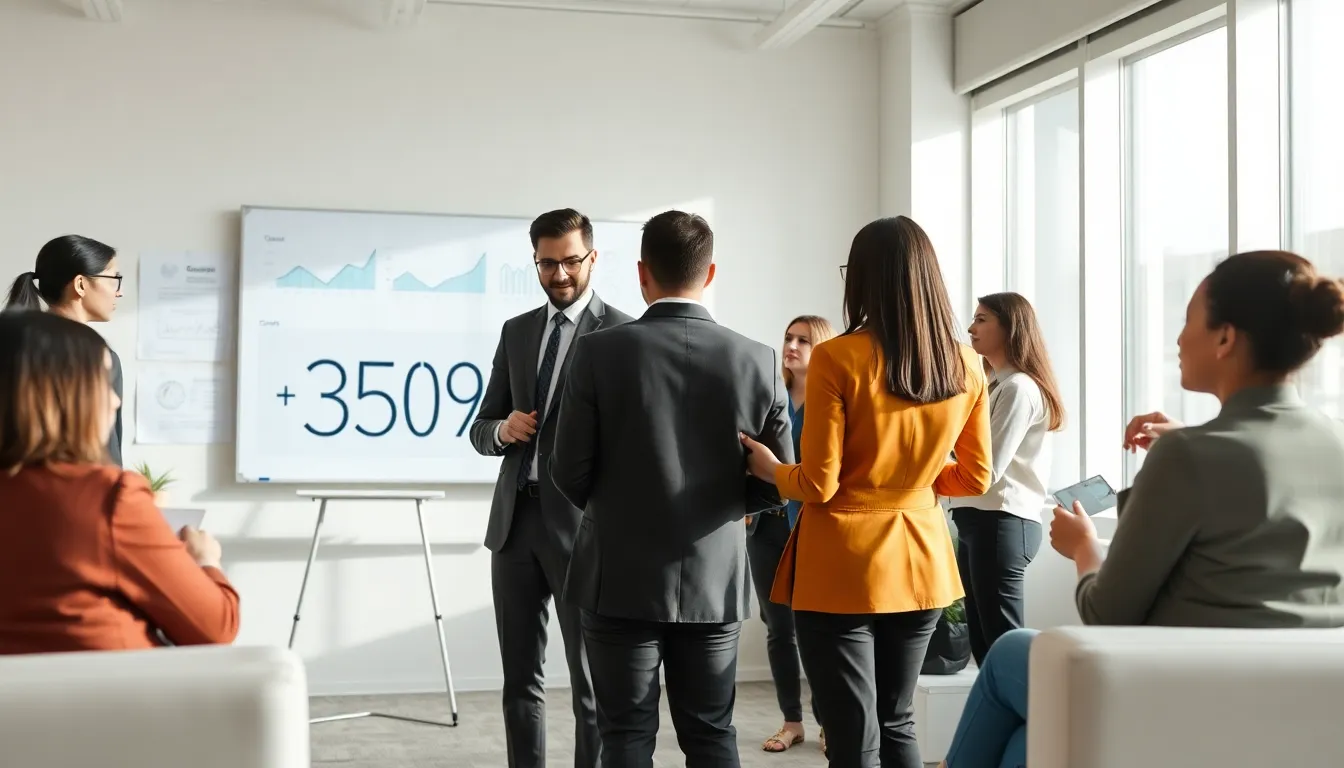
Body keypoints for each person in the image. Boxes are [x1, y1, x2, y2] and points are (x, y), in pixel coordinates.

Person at [940, 250, 1344, 768]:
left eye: (1188, 322)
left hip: (1177, 696)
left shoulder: (1188, 456)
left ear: (1225, 338)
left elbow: (1106, 613)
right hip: (1297, 711)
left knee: (1008, 652)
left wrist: (1084, 547)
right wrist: (1192, 442)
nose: (1178, 340)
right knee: (1027, 743)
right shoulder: (1331, 444)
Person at [741, 215, 992, 768]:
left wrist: (769, 469)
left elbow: (817, 483)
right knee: (896, 720)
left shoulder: (838, 356)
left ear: (865, 278)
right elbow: (975, 477)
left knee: (852, 735)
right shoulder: (967, 362)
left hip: (842, 566)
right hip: (923, 557)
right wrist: (910, 486)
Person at [549, 210, 794, 767]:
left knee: (625, 735)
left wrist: (617, 508)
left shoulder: (598, 351)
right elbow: (779, 476)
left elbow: (567, 469)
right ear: (709, 274)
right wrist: (734, 507)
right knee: (711, 734)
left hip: (618, 578)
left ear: (641, 273)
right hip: (714, 578)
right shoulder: (757, 359)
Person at [468, 209, 633, 768]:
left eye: (570, 261)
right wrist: (503, 429)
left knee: (591, 683)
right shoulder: (517, 331)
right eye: (547, 263)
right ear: (534, 260)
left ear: (592, 258)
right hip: (515, 526)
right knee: (520, 680)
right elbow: (480, 426)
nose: (559, 274)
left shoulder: (623, 334)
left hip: (585, 531)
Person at [0, 311, 239, 654]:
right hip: (110, 704)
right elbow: (217, 628)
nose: (115, 399)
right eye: (102, 381)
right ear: (61, 393)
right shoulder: (109, 497)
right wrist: (205, 560)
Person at [948, 293, 1065, 664]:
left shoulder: (1017, 389)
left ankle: (1028, 722)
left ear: (1010, 327)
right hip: (982, 521)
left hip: (999, 522)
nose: (970, 328)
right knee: (987, 647)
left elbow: (986, 469)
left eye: (982, 319)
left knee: (1003, 646)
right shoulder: (998, 386)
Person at [748, 314, 834, 754]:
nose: (792, 346)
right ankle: (792, 722)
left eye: (804, 340)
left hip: (813, 530)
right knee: (778, 629)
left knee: (817, 629)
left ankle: (827, 723)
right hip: (766, 530)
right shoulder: (768, 395)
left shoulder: (832, 400)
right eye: (788, 338)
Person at [5, 235, 124, 466]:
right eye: (113, 279)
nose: (118, 292)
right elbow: (108, 453)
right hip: (76, 495)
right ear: (80, 284)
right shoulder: (98, 358)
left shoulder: (14, 344)